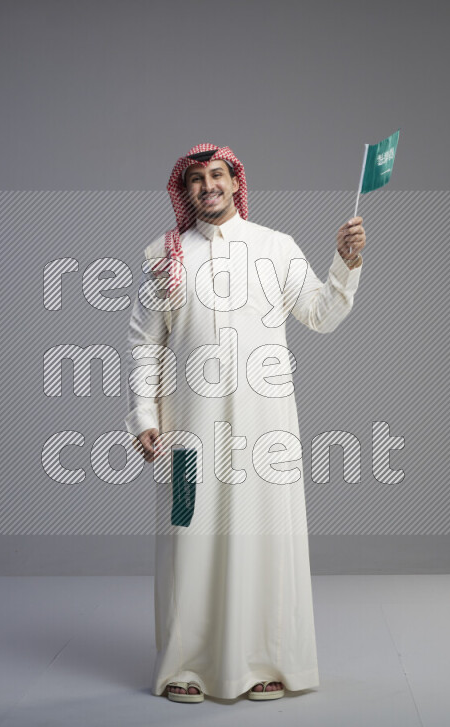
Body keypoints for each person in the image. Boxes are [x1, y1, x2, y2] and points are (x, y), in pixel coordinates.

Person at [123, 143, 365, 703]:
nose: (208, 186)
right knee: (188, 541)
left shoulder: (275, 247)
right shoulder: (164, 256)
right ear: (184, 191)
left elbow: (321, 314)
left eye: (217, 175)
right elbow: (143, 343)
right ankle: (185, 667)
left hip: (265, 434)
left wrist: (346, 263)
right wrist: (142, 415)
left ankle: (264, 662)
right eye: (196, 179)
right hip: (187, 432)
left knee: (264, 542)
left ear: (235, 183)